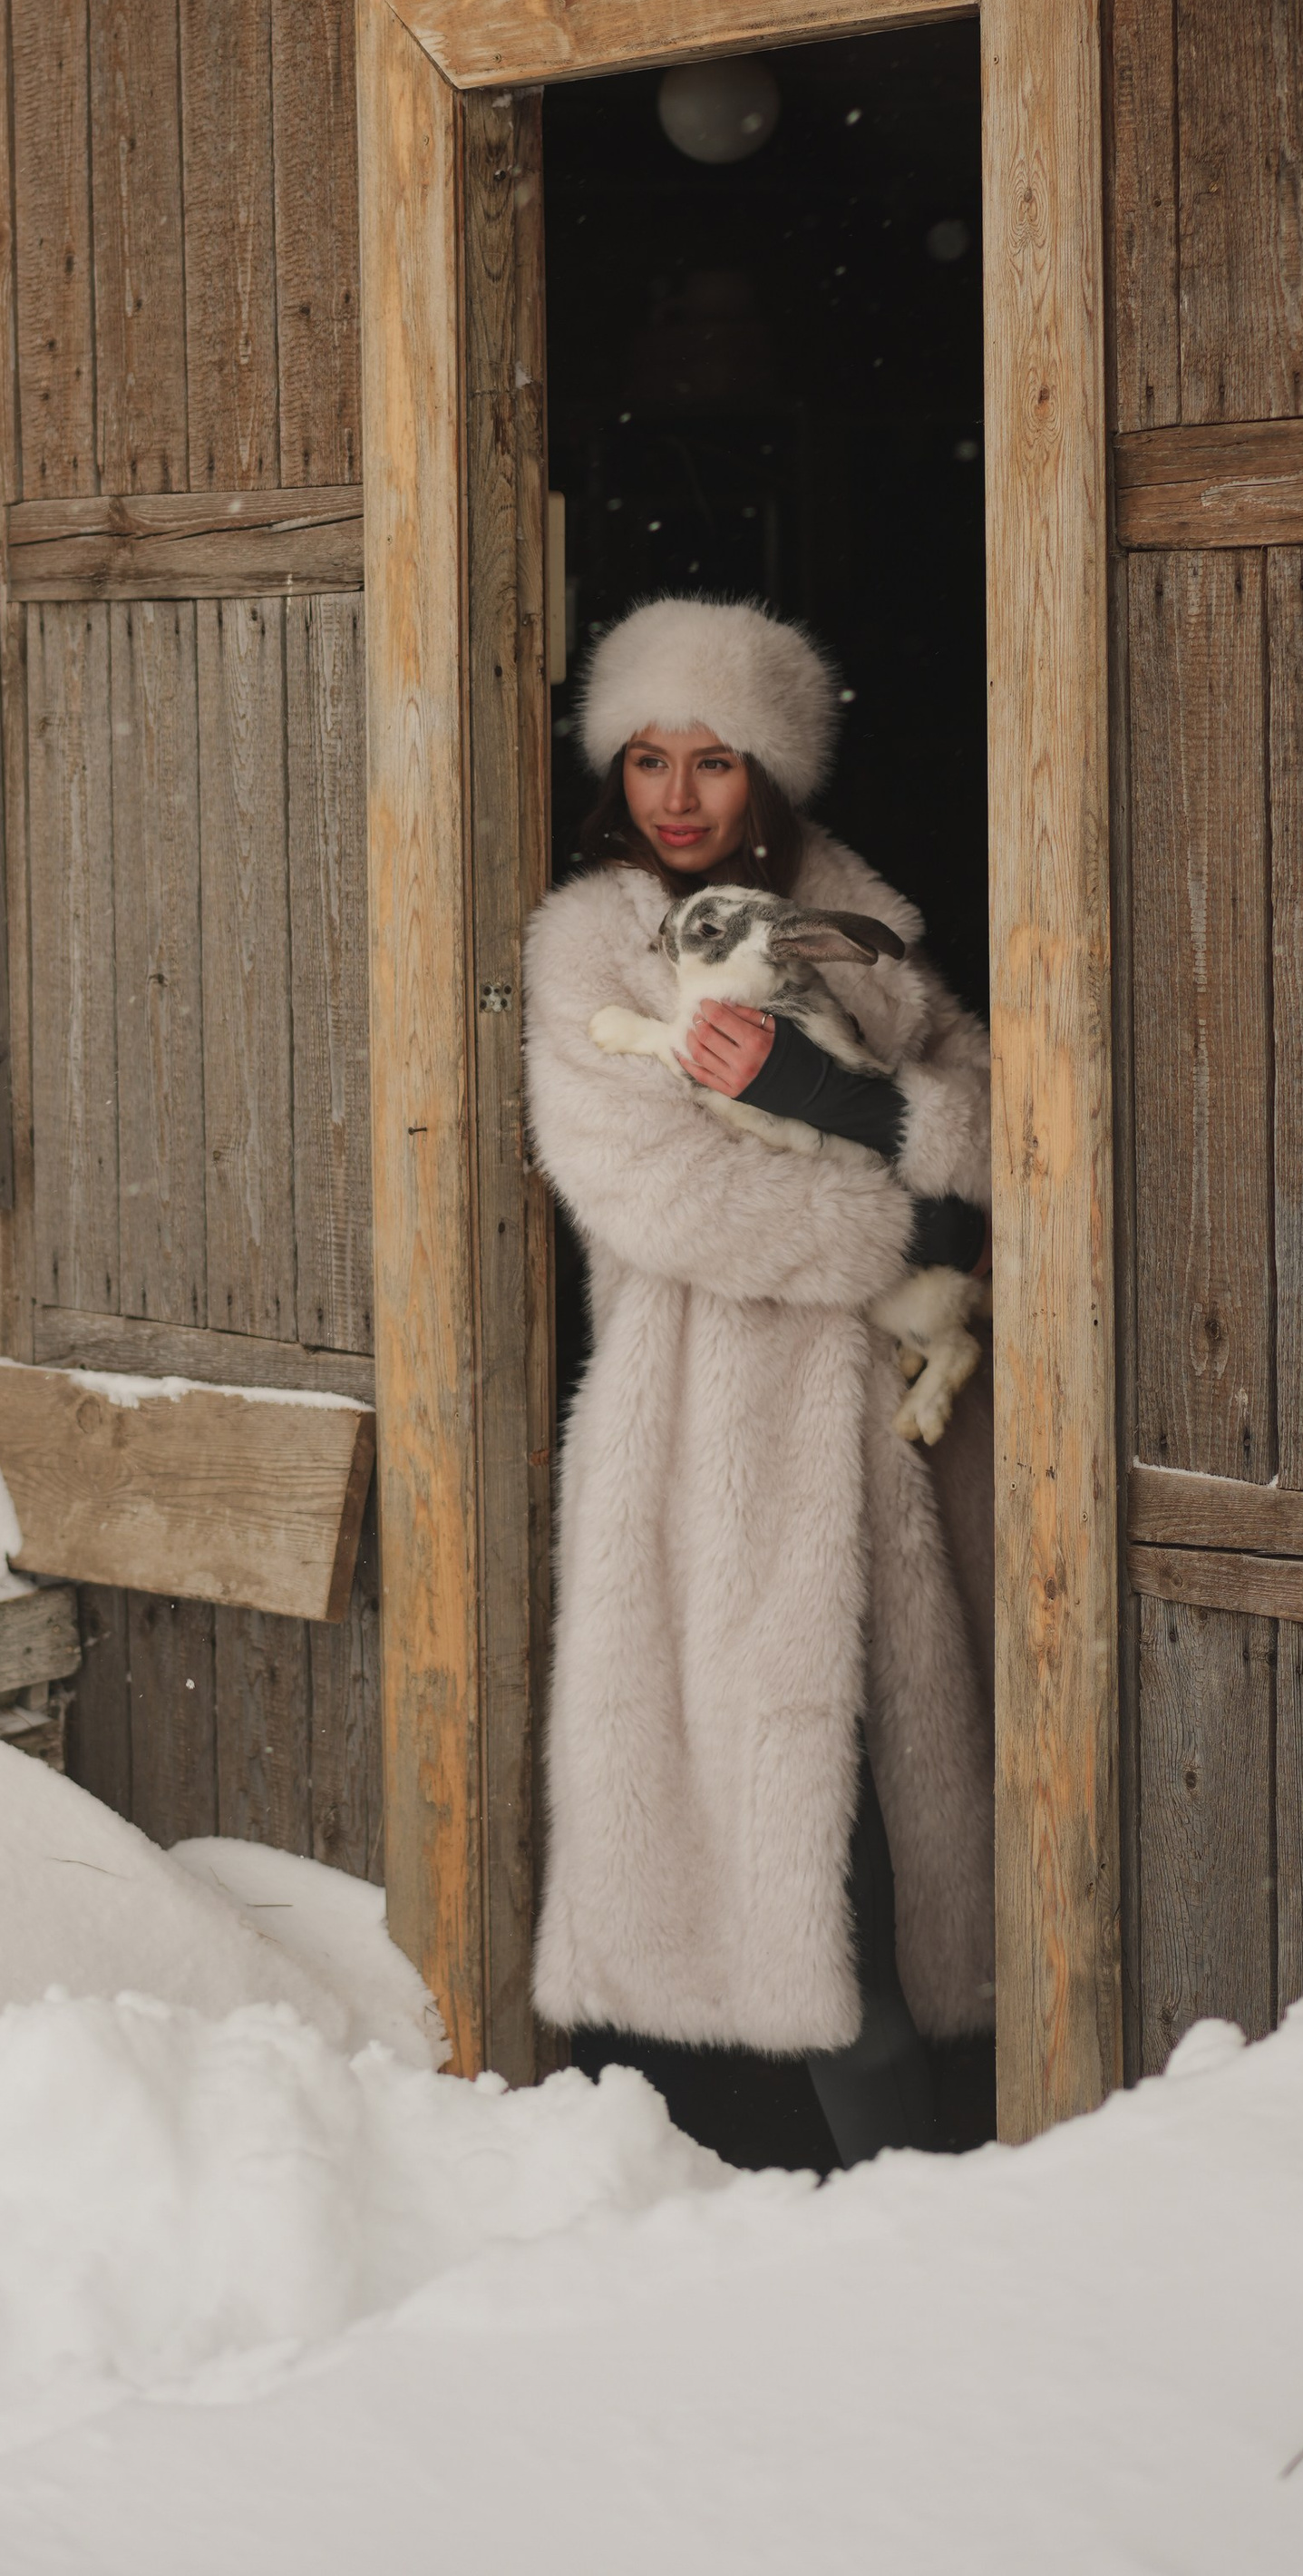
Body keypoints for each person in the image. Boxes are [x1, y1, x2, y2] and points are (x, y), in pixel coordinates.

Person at [525, 593, 994, 2171]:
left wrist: (853, 1108)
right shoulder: (591, 945)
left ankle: (921, 2182)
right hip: (711, 1438)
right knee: (793, 1852)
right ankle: (851, 2183)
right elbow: (665, 1194)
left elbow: (1006, 1122)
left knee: (904, 1826)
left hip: (898, 1442)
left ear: (770, 772)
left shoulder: (859, 917)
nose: (676, 795)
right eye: (648, 757)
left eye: (714, 760)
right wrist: (914, 1222)